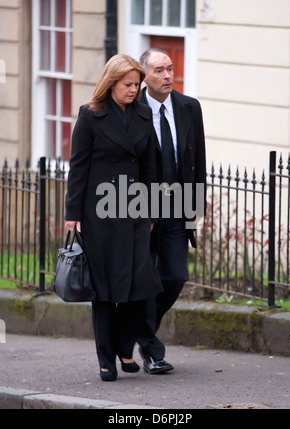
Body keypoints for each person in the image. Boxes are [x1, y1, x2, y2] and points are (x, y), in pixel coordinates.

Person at [64, 54, 162, 382]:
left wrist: (150, 210)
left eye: (137, 84)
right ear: (112, 83)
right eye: (128, 85)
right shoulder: (90, 116)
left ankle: (124, 347)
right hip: (99, 215)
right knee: (104, 291)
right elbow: (78, 167)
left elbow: (150, 168)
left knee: (141, 286)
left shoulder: (144, 114)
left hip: (134, 211)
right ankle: (106, 359)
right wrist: (72, 213)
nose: (134, 90)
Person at [138, 48, 207, 374]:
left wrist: (195, 209)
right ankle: (152, 350)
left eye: (170, 69)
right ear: (144, 76)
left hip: (178, 207)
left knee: (176, 276)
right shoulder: (130, 107)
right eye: (159, 70)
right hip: (141, 210)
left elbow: (199, 162)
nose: (167, 76)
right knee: (145, 280)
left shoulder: (189, 107)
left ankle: (140, 331)